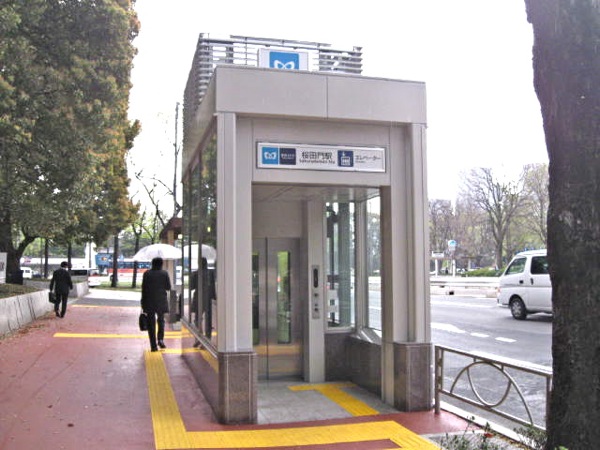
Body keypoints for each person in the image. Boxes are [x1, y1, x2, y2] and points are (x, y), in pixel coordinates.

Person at [141, 257, 171, 352]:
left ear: (152, 264)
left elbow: (144, 289)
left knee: (151, 323)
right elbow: (168, 287)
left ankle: (153, 346)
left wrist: (143, 303)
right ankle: (160, 339)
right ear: (161, 264)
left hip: (149, 301)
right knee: (161, 320)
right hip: (161, 300)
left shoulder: (147, 273)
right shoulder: (164, 273)